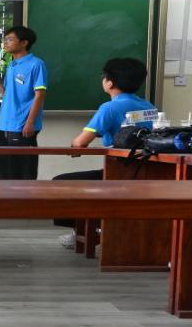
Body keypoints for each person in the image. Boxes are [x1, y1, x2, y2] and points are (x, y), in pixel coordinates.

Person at [54, 57, 157, 248]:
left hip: (118, 174)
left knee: (60, 183)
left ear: (109, 83)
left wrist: (75, 146)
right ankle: (93, 230)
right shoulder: (149, 107)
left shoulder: (110, 108)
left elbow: (80, 143)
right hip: (147, 174)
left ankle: (83, 231)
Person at [0, 26, 47, 180]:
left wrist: (30, 123)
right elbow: (6, 93)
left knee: (21, 175)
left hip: (22, 126)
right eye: (5, 39)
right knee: (2, 172)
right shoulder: (12, 65)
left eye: (10, 39)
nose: (5, 43)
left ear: (24, 42)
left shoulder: (36, 64)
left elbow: (40, 95)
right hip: (4, 125)